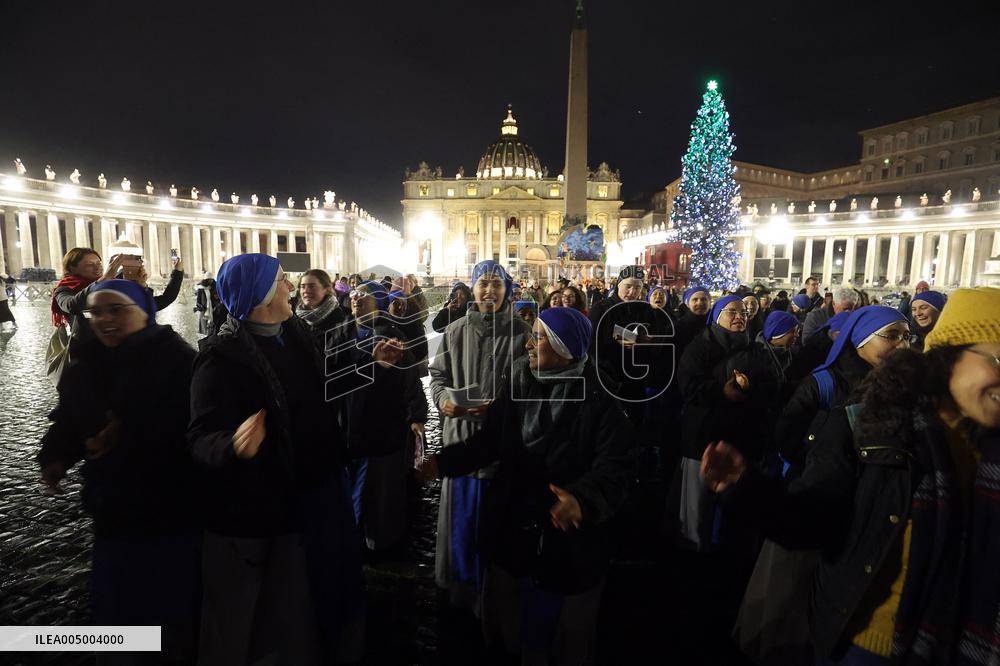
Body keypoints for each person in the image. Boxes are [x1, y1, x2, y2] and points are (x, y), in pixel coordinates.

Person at [702, 287, 1000, 665]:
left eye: (902, 335)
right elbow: (811, 517)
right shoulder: (871, 423)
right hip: (869, 645)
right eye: (997, 359)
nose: (899, 343)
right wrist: (748, 489)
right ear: (951, 355)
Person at [188, 254, 398, 664]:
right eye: (283, 281)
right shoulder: (220, 358)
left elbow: (324, 388)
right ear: (262, 294)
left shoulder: (294, 332)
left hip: (322, 481)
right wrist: (231, 444)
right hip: (279, 499)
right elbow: (198, 437)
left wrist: (372, 367)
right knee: (286, 603)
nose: (291, 287)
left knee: (331, 580)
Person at [419, 307, 632, 665]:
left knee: (560, 637)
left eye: (538, 338)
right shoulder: (518, 378)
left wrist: (582, 499)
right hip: (512, 526)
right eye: (531, 336)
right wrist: (445, 462)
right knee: (508, 628)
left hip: (568, 543)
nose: (529, 345)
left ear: (566, 348)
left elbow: (617, 467)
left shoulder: (600, 399)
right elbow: (491, 442)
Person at [38, 279, 200, 663]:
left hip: (169, 510)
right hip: (112, 509)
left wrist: (125, 433)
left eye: (116, 310)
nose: (105, 320)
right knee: (119, 608)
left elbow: (193, 429)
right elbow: (69, 418)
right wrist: (56, 456)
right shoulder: (87, 361)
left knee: (169, 608)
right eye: (96, 312)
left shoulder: (179, 360)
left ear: (144, 312)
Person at [428, 260, 531, 610]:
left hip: (502, 445)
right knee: (462, 523)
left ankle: (494, 593)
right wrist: (445, 403)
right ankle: (462, 590)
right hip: (462, 438)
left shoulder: (523, 333)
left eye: (496, 284)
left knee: (498, 524)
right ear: (472, 289)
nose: (489, 291)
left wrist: (504, 408)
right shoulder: (455, 331)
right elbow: (438, 379)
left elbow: (532, 385)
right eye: (483, 284)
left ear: (507, 290)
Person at [673, 295, 769, 551]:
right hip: (703, 439)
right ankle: (692, 555)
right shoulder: (699, 347)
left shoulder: (755, 349)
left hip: (740, 439)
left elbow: (769, 387)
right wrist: (722, 391)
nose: (740, 316)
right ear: (717, 317)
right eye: (732, 312)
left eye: (743, 313)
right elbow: (688, 387)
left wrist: (750, 391)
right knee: (698, 508)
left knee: (735, 507)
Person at [774, 306, 909, 479]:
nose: (903, 345)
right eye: (892, 336)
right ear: (861, 339)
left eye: (906, 336)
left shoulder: (905, 385)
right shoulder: (822, 384)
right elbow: (787, 439)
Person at [343, 281, 427, 552]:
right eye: (355, 294)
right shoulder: (342, 332)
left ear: (378, 302)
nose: (357, 299)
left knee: (380, 491)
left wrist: (417, 415)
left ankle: (378, 542)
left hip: (382, 428)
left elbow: (410, 379)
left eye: (365, 296)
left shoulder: (391, 335)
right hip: (349, 427)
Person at [52, 248, 126, 343]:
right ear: (72, 268)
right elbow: (71, 305)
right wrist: (103, 280)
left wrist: (142, 286)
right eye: (89, 264)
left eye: (99, 263)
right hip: (85, 348)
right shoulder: (64, 288)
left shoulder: (112, 283)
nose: (97, 267)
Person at [295, 269, 350, 351]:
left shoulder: (343, 318)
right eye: (303, 287)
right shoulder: (296, 318)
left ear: (327, 289)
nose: (306, 291)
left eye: (312, 286)